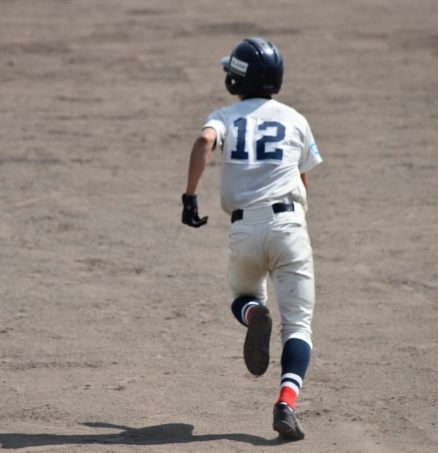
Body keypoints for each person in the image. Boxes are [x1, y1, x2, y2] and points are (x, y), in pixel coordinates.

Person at [181, 37, 322, 440]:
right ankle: (286, 404)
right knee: (298, 327)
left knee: (243, 296)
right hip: (289, 225)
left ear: (236, 78)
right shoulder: (295, 118)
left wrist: (190, 196)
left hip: (244, 227)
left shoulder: (225, 115)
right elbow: (304, 178)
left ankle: (252, 314)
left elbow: (204, 141)